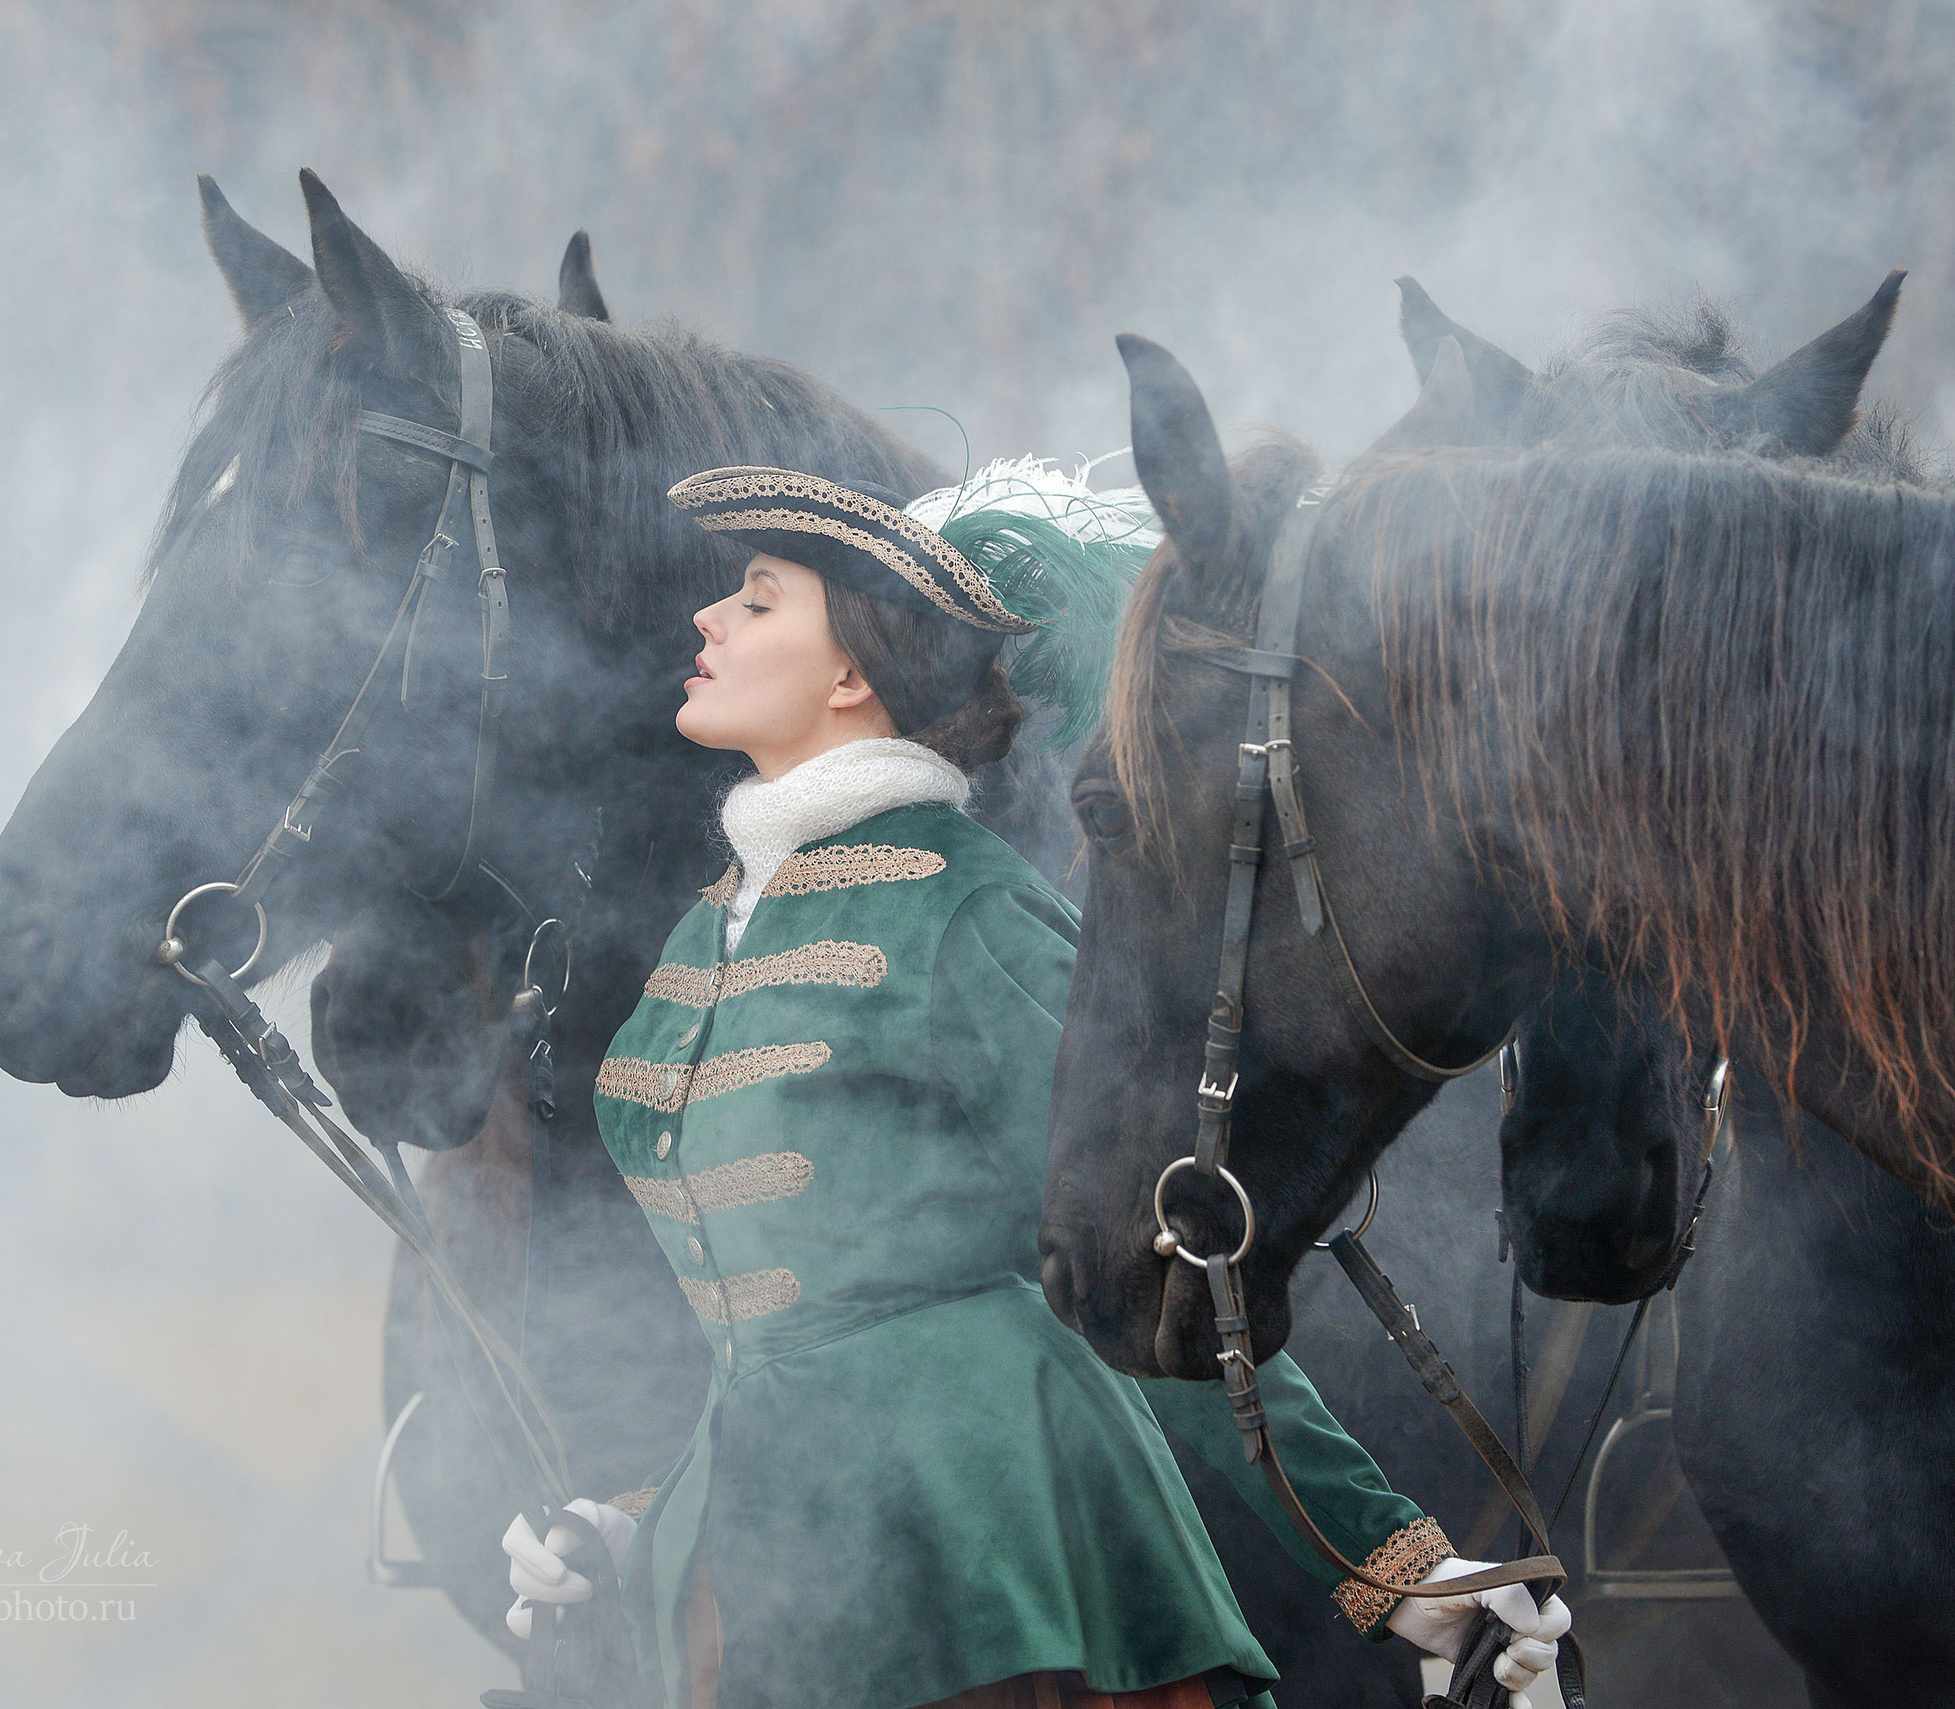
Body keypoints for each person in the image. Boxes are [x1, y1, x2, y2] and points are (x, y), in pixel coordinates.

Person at [498, 459, 1571, 1709]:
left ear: (850, 676)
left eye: (756, 597)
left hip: (990, 1550)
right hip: (773, 1564)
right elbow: (789, 1333)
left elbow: (1162, 1269)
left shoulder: (970, 908)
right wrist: (643, 1519)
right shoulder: (713, 928)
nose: (708, 620)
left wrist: (1397, 1568)